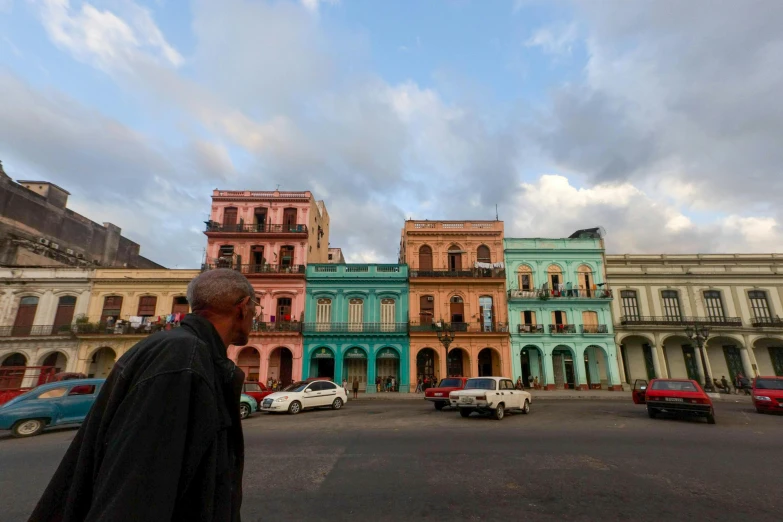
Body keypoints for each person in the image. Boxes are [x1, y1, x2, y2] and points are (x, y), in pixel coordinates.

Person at [30, 268, 253, 521]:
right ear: (243, 307)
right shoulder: (183, 359)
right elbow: (138, 484)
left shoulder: (174, 348)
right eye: (254, 307)